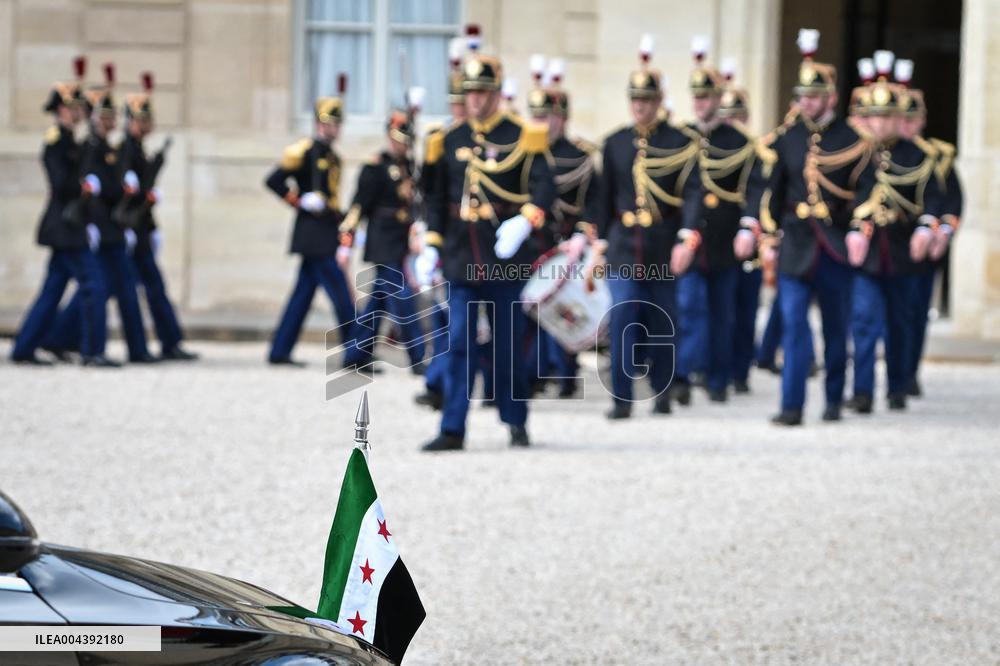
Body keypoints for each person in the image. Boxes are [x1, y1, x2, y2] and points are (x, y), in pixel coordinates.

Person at [416, 45, 556, 451]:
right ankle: (453, 427)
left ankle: (515, 419)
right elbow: (436, 198)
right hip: (461, 258)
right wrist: (431, 244)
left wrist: (525, 219)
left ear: (495, 93)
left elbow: (544, 186)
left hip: (504, 260)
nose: (474, 99)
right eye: (469, 92)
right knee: (458, 342)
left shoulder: (521, 136)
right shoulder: (448, 139)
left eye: (481, 92)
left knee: (507, 345)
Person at [742, 29, 873, 426]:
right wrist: (767, 235)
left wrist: (858, 229)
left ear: (831, 97)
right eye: (801, 96)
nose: (806, 103)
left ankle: (834, 398)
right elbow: (771, 191)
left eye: (813, 96)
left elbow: (866, 188)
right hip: (796, 245)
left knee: (836, 326)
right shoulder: (788, 138)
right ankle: (792, 404)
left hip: (833, 244)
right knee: (794, 324)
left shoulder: (853, 139)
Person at [596, 35, 700, 420]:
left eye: (647, 100)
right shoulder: (615, 144)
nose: (640, 107)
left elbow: (692, 194)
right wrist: (599, 242)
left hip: (661, 243)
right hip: (624, 244)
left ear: (659, 102)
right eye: (635, 100)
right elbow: (603, 199)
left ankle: (662, 389)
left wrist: (687, 237)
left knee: (662, 320)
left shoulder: (680, 143)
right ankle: (621, 396)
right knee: (623, 317)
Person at [846, 53, 944, 412]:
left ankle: (899, 385)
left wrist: (927, 226)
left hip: (905, 253)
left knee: (901, 325)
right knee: (864, 322)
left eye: (887, 117)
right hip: (868, 253)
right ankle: (862, 391)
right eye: (874, 116)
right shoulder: (855, 154)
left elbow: (933, 195)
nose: (880, 124)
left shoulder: (918, 156)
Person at [42, 64, 157, 364]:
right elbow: (82, 187)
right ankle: (83, 346)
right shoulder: (85, 146)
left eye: (111, 117)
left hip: (112, 227)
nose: (109, 122)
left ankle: (59, 340)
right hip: (97, 226)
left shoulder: (103, 147)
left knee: (107, 289)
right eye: (103, 116)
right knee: (94, 288)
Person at [10, 57, 116, 368]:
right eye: (74, 109)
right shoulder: (56, 141)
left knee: (53, 289)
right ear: (61, 110)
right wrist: (83, 185)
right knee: (94, 285)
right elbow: (61, 183)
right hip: (65, 224)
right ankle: (92, 350)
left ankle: (25, 347)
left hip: (71, 224)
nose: (79, 113)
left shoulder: (73, 141)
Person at [671, 40, 757, 405]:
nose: (701, 103)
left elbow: (753, 188)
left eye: (707, 97)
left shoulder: (740, 142)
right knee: (688, 307)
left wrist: (748, 226)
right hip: (691, 235)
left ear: (719, 99)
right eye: (697, 97)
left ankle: (719, 376)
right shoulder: (681, 138)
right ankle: (685, 373)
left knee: (723, 311)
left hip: (724, 236)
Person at [263, 84, 355, 368]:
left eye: (337, 123)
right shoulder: (304, 151)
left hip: (326, 229)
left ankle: (280, 350)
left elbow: (333, 198)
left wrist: (344, 227)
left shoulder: (332, 156)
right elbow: (273, 180)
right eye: (329, 123)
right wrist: (299, 200)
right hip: (313, 234)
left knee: (302, 295)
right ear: (318, 123)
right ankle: (356, 353)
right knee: (340, 293)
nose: (334, 128)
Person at [524, 56, 598, 399]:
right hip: (531, 239)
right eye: (537, 116)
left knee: (564, 309)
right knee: (531, 309)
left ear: (562, 118)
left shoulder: (578, 155)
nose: (543, 123)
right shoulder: (522, 152)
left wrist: (582, 236)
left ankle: (566, 375)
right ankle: (534, 373)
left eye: (549, 117)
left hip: (565, 242)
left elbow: (590, 200)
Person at [893, 59, 962, 399]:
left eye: (910, 119)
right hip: (891, 243)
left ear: (921, 121)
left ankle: (908, 373)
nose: (904, 126)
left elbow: (952, 201)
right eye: (899, 119)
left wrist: (942, 233)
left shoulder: (937, 157)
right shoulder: (883, 152)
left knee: (916, 313)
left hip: (922, 246)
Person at [338, 109, 426, 373]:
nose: (404, 145)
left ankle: (355, 355)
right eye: (400, 139)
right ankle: (419, 357)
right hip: (382, 239)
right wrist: (346, 239)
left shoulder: (410, 167)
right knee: (403, 297)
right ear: (389, 136)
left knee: (378, 300)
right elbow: (358, 206)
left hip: (400, 239)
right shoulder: (375, 166)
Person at [118, 73, 198, 361]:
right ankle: (62, 336)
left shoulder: (137, 149)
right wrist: (143, 196)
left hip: (141, 227)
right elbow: (125, 191)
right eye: (141, 119)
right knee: (108, 288)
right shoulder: (125, 150)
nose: (146, 125)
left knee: (153, 286)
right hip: (128, 228)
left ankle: (170, 340)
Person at [415, 36, 469, 411]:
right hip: (445, 240)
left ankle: (443, 384)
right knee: (443, 319)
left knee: (461, 325)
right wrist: (426, 237)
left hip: (473, 245)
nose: (459, 108)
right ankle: (438, 384)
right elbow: (427, 191)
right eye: (455, 102)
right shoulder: (440, 140)